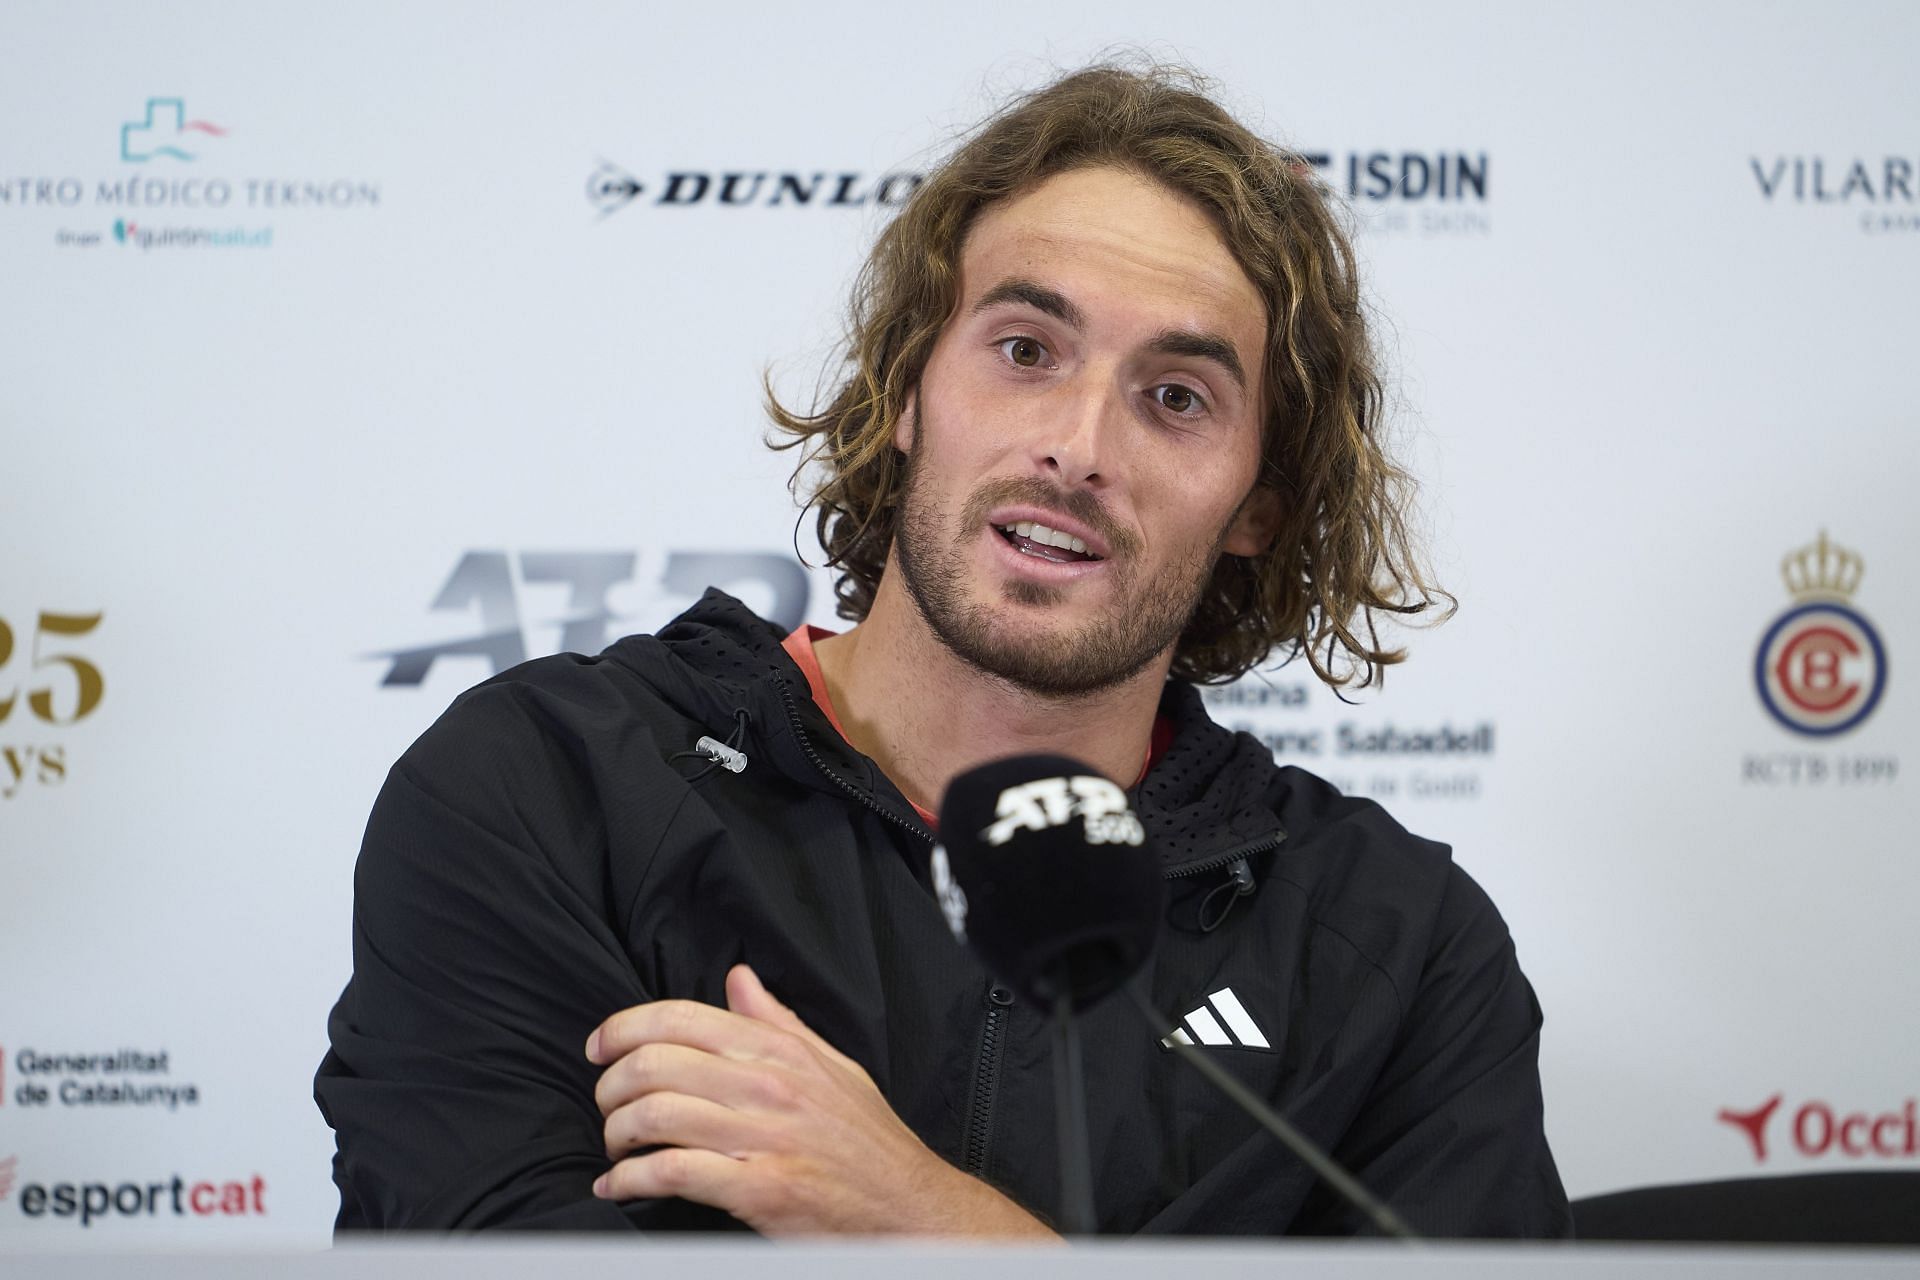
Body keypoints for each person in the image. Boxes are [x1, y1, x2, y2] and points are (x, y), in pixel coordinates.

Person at [315, 63, 1571, 1238]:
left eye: (1176, 397)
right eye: (1026, 351)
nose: (1079, 447)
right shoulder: (551, 787)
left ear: (1257, 505)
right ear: (907, 388)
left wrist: (924, 1219)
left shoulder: (1398, 944)